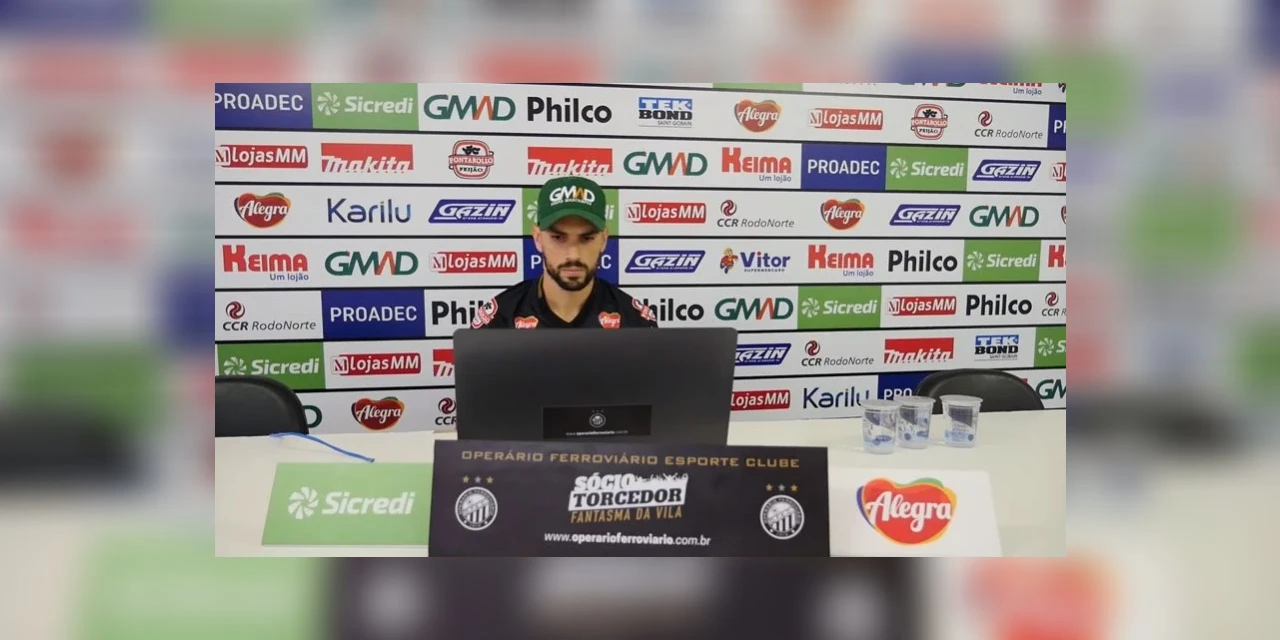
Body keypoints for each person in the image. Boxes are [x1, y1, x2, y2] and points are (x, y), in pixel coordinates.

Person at [470, 176, 658, 330]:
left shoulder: (634, 321)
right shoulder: (501, 319)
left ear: (604, 239)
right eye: (558, 238)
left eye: (587, 238)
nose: (573, 254)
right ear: (537, 238)